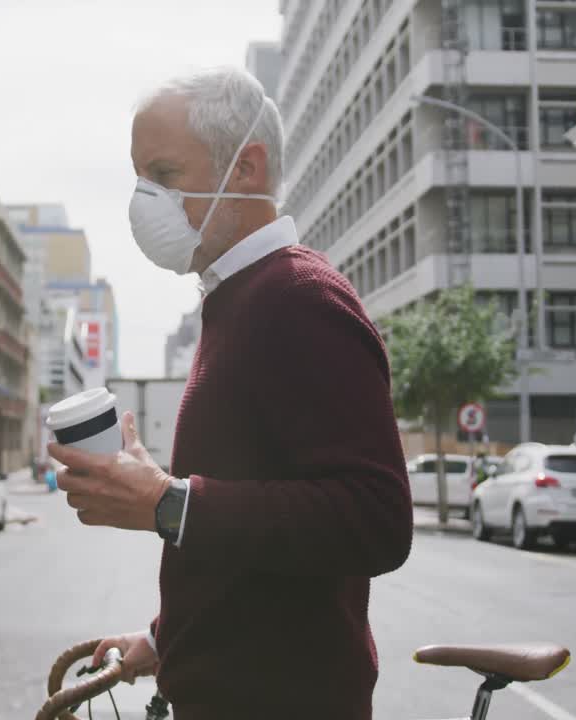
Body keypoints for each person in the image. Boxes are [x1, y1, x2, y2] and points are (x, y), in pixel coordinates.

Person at [47, 67, 412, 719]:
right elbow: (249, 543)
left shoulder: (298, 299)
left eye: (164, 174)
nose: (143, 201)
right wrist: (163, 639)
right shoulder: (236, 301)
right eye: (139, 179)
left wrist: (166, 503)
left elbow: (376, 520)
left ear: (245, 168)